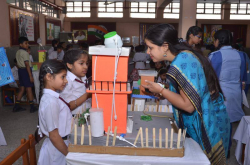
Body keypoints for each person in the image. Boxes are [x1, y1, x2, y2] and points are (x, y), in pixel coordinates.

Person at [142, 24, 230, 164]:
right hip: (208, 119)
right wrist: (165, 93)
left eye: (150, 47)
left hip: (206, 127)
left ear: (165, 46)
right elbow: (189, 91)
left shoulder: (181, 62)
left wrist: (161, 90)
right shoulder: (183, 56)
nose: (148, 52)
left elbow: (188, 105)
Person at [37, 60, 72, 165]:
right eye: (63, 77)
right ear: (49, 77)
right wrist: (69, 155)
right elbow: (54, 136)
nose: (66, 81)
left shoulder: (53, 97)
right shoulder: (51, 101)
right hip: (57, 150)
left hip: (59, 146)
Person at [209, 29, 246, 123]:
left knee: (220, 124)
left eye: (214, 40)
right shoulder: (241, 55)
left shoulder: (215, 55)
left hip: (221, 93)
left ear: (218, 40)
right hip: (236, 93)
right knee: (231, 122)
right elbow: (243, 77)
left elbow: (211, 78)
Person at [60, 50, 92, 115]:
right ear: (69, 65)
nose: (86, 67)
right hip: (74, 116)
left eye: (87, 63)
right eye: (81, 63)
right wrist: (87, 95)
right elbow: (68, 106)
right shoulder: (66, 81)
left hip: (86, 113)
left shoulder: (83, 77)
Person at [13, 37, 37, 113]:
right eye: (26, 43)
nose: (27, 44)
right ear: (21, 44)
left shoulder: (18, 52)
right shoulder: (25, 53)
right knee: (29, 88)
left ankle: (16, 106)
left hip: (20, 71)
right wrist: (30, 76)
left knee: (22, 88)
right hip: (26, 71)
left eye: (27, 43)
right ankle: (32, 107)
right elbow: (27, 65)